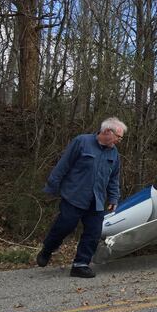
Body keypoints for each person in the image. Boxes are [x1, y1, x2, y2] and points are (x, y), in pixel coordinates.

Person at [35, 117, 126, 278]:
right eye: (118, 137)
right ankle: (48, 249)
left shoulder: (114, 153)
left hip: (96, 200)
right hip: (74, 196)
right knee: (64, 227)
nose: (120, 140)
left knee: (94, 232)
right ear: (106, 132)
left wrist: (113, 198)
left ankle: (80, 264)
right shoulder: (82, 142)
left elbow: (113, 178)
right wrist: (52, 186)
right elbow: (64, 165)